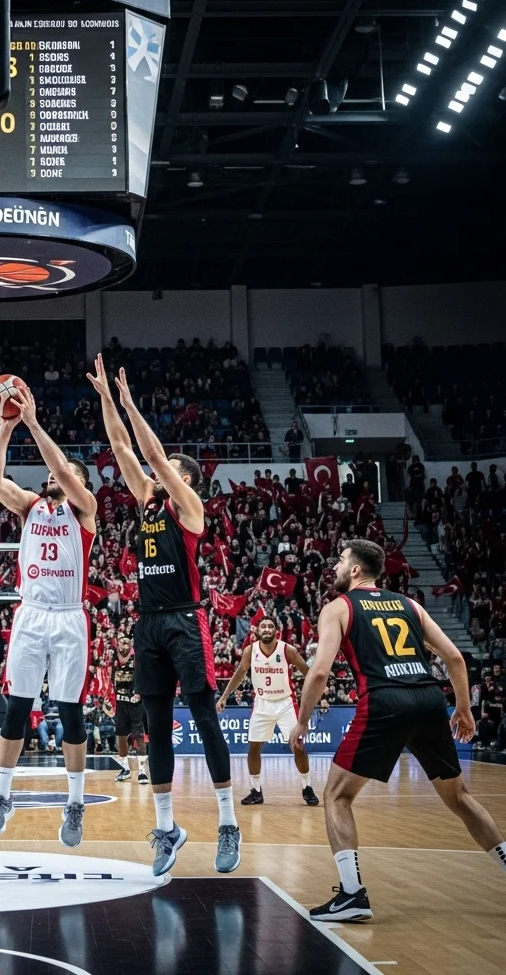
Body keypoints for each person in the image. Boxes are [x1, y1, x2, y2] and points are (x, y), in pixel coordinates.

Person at [291, 540, 506, 922]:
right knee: (459, 798)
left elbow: (320, 671)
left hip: (384, 701)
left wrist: (304, 719)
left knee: (336, 796)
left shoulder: (337, 608)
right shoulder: (409, 605)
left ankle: (353, 895)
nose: (337, 568)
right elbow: (454, 657)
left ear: (356, 570)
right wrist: (463, 708)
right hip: (426, 698)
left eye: (341, 561)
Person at [88, 353, 239, 878]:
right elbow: (123, 449)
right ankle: (168, 828)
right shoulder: (148, 503)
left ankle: (227, 822)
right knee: (155, 727)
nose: (160, 470)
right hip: (148, 620)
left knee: (203, 717)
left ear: (185, 478)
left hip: (184, 618)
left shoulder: (190, 506)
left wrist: (130, 402)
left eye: (170, 468)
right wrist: (109, 401)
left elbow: (148, 449)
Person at [0, 382, 97, 849]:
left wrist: (32, 421)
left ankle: (74, 804)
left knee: (70, 712)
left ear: (78, 481)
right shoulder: (31, 507)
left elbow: (65, 474)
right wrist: (6, 429)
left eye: (65, 472)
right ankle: (1, 796)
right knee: (17, 707)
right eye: (54, 472)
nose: (55, 475)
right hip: (31, 614)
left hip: (69, 616)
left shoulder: (85, 509)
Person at [215, 616, 321, 806]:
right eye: (263, 626)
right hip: (262, 703)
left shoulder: (287, 649)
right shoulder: (250, 651)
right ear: (257, 631)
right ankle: (256, 791)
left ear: (276, 631)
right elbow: (239, 674)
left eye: (270, 626)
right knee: (253, 748)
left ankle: (307, 787)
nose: (266, 629)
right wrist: (223, 696)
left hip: (285, 703)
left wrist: (323, 695)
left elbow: (309, 672)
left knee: (298, 746)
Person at [110, 633, 147, 784]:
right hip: (120, 702)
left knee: (139, 735)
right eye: (121, 642)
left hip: (135, 702)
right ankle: (125, 768)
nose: (123, 645)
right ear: (117, 645)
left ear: (130, 645)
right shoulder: (114, 659)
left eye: (126, 642)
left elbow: (143, 676)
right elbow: (110, 678)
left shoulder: (136, 659)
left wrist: (139, 692)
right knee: (121, 735)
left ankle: (142, 770)